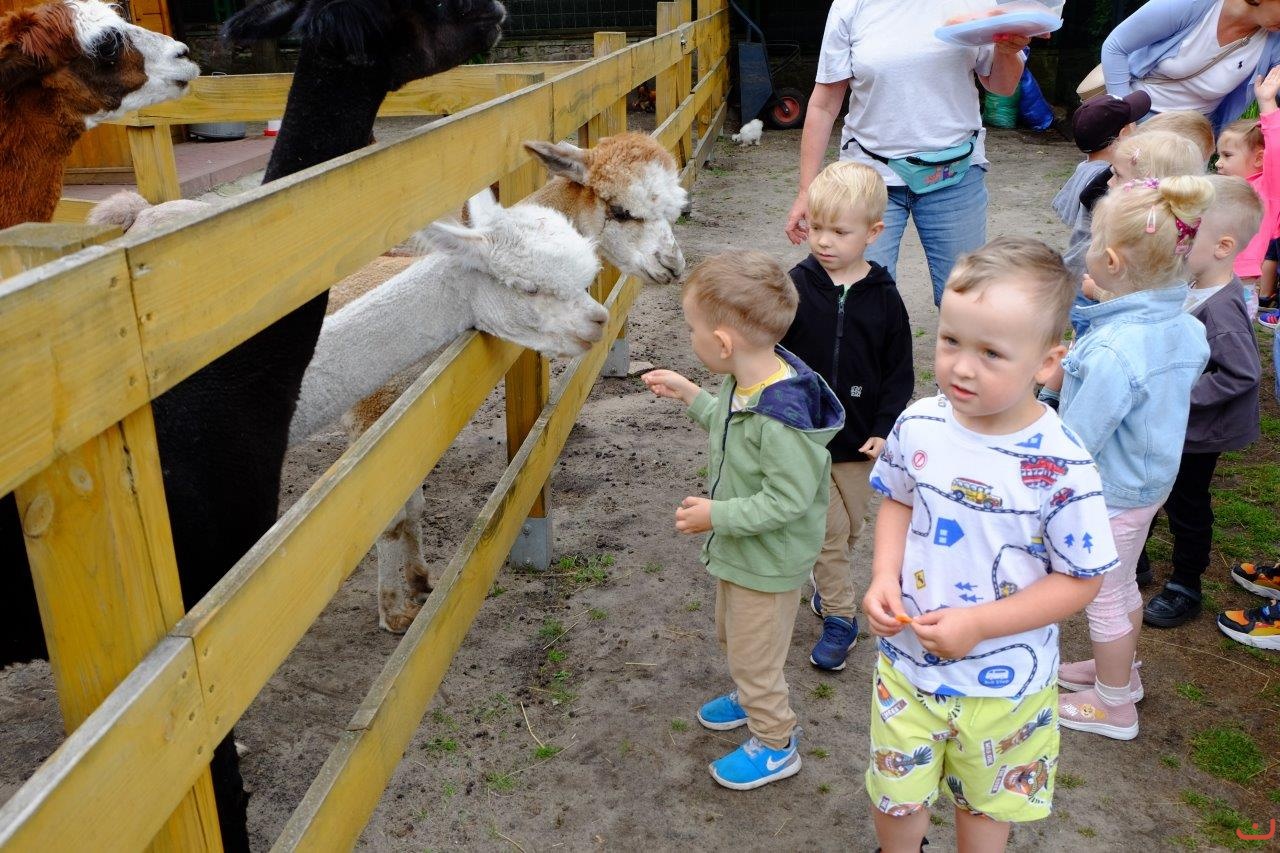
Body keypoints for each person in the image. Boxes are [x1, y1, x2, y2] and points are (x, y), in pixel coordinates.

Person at [862, 236, 1118, 853]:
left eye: (991, 353)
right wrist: (883, 576)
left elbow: (1081, 580)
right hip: (907, 669)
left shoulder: (1063, 466)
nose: (961, 367)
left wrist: (979, 625)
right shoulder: (919, 422)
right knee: (896, 798)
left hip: (1008, 689)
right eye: (951, 340)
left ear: (1047, 362)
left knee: (985, 807)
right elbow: (898, 497)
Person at [642, 251, 844, 790]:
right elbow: (730, 426)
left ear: (723, 342)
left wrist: (717, 515)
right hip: (743, 551)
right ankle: (750, 690)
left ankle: (776, 742)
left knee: (756, 653)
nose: (690, 337)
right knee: (735, 635)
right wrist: (692, 395)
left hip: (768, 560)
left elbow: (787, 501)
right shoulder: (746, 380)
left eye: (692, 329)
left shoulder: (781, 419)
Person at [1050, 176, 1213, 741]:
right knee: (1121, 588)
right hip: (1150, 482)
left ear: (1111, 261)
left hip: (1112, 490)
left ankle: (1114, 704)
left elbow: (1078, 437)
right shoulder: (1182, 325)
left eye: (1094, 239)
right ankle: (1121, 671)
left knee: (1102, 595)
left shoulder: (1115, 348)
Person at [784, 1, 1032, 306]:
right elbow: (824, 105)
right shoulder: (850, 6)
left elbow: (1002, 87)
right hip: (869, 179)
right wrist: (806, 190)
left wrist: (1007, 52)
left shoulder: (976, 3)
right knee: (862, 301)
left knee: (966, 301)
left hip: (954, 174)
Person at [779, 161, 913, 672]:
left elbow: (898, 370)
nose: (823, 241)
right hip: (803, 436)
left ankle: (827, 586)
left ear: (873, 233)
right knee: (828, 534)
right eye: (816, 227)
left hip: (859, 442)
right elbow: (771, 353)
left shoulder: (884, 297)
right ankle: (841, 616)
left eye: (839, 231)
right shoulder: (796, 285)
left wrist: (883, 427)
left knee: (851, 528)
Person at [1135, 175, 1263, 626]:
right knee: (1150, 488)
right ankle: (1136, 562)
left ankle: (1186, 584)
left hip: (1199, 432)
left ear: (1223, 247)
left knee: (1186, 503)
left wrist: (1177, 393)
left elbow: (1241, 373)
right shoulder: (1191, 284)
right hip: (1173, 422)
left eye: (1186, 236)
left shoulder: (1222, 310)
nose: (1176, 243)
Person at [1100, 0, 1280, 136]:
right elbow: (1115, 47)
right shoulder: (1189, 4)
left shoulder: (1274, 40)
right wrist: (1125, 118)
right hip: (1136, 117)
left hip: (1193, 136)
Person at [1055, 91, 1151, 324]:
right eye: (1133, 123)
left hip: (1077, 268)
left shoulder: (1084, 168)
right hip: (1094, 275)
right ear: (1123, 134)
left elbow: (1062, 207)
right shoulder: (1105, 179)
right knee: (1091, 327)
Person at [1213, 66, 1280, 318]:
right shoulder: (1222, 188)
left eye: (1227, 155)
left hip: (1238, 284)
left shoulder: (1267, 190)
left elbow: (1276, 148)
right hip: (1206, 277)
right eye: (1218, 155)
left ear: (1260, 159)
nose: (1218, 163)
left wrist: (1267, 102)